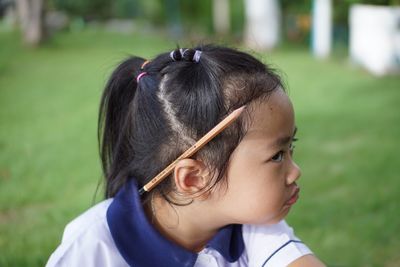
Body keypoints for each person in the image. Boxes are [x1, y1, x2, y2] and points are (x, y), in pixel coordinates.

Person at [46, 45, 325, 267]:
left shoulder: (255, 230)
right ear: (193, 178)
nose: (295, 171)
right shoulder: (91, 251)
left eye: (292, 147)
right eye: (277, 155)